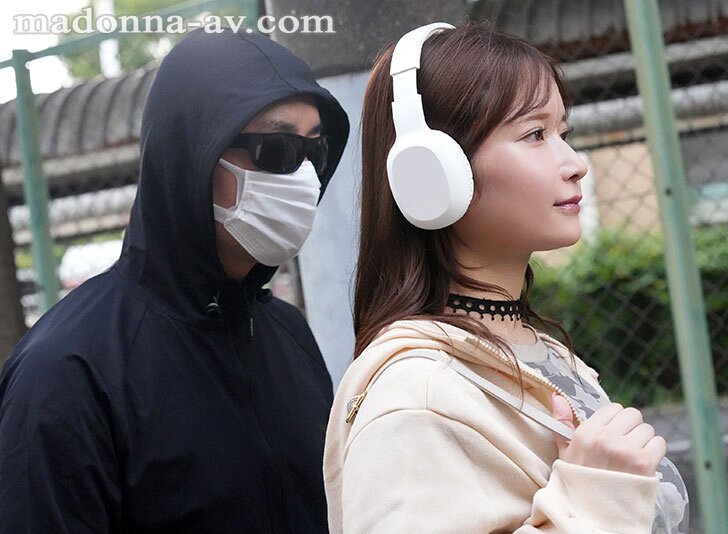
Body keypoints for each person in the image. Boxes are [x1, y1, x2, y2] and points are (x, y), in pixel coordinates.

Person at [324, 22, 688, 533]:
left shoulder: (529, 350)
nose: (575, 164)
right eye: (535, 134)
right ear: (433, 172)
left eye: (564, 133)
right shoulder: (416, 396)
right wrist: (594, 505)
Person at [0, 28, 348, 533]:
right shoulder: (66, 372)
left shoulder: (288, 334)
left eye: (315, 151)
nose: (305, 178)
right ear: (192, 153)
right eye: (276, 150)